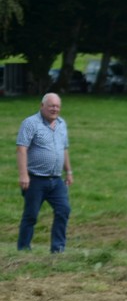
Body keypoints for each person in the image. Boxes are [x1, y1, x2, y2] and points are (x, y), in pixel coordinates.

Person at [16, 93, 73, 252]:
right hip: (35, 179)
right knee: (31, 215)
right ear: (42, 106)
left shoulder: (62, 124)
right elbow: (21, 149)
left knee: (64, 210)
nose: (54, 109)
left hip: (56, 180)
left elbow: (64, 149)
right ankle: (23, 249)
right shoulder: (30, 123)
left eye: (57, 106)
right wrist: (23, 175)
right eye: (51, 106)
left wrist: (68, 171)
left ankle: (58, 248)